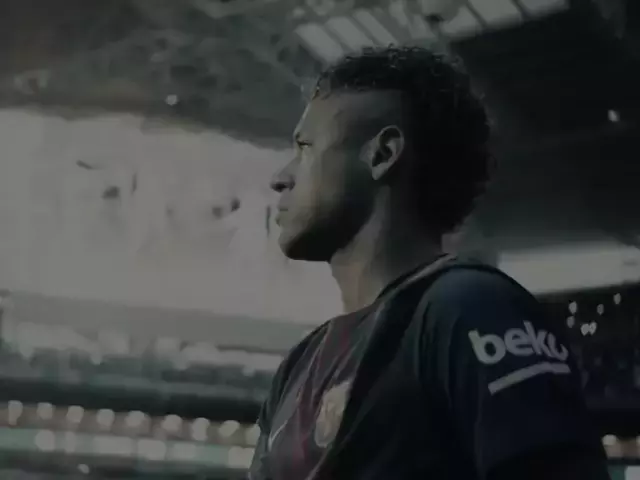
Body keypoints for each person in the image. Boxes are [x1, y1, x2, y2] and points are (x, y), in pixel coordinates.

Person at [249, 46, 609, 480]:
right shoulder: (299, 365)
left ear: (382, 154)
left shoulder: (472, 309)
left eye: (305, 147)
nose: (281, 177)